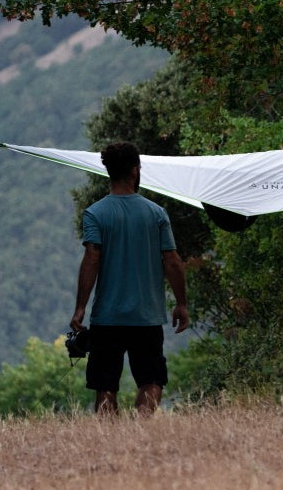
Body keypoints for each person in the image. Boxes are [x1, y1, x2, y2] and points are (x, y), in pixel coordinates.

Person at [70, 141, 190, 415]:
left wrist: (80, 308)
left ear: (108, 171)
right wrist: (182, 303)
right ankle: (141, 432)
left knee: (105, 386)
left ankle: (111, 443)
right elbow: (172, 261)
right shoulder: (156, 213)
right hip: (146, 317)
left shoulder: (95, 213)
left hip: (107, 317)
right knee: (152, 380)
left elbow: (92, 259)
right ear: (136, 170)